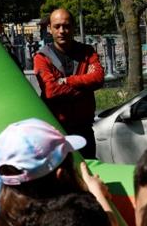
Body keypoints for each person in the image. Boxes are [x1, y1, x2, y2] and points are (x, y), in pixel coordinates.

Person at [35, 8, 105, 158]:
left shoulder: (87, 52)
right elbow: (51, 91)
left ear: (73, 27)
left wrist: (67, 81)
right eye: (57, 26)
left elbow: (98, 79)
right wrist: (85, 85)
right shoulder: (42, 57)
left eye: (66, 26)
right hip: (55, 131)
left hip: (84, 129)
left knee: (86, 172)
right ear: (49, 29)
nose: (62, 31)